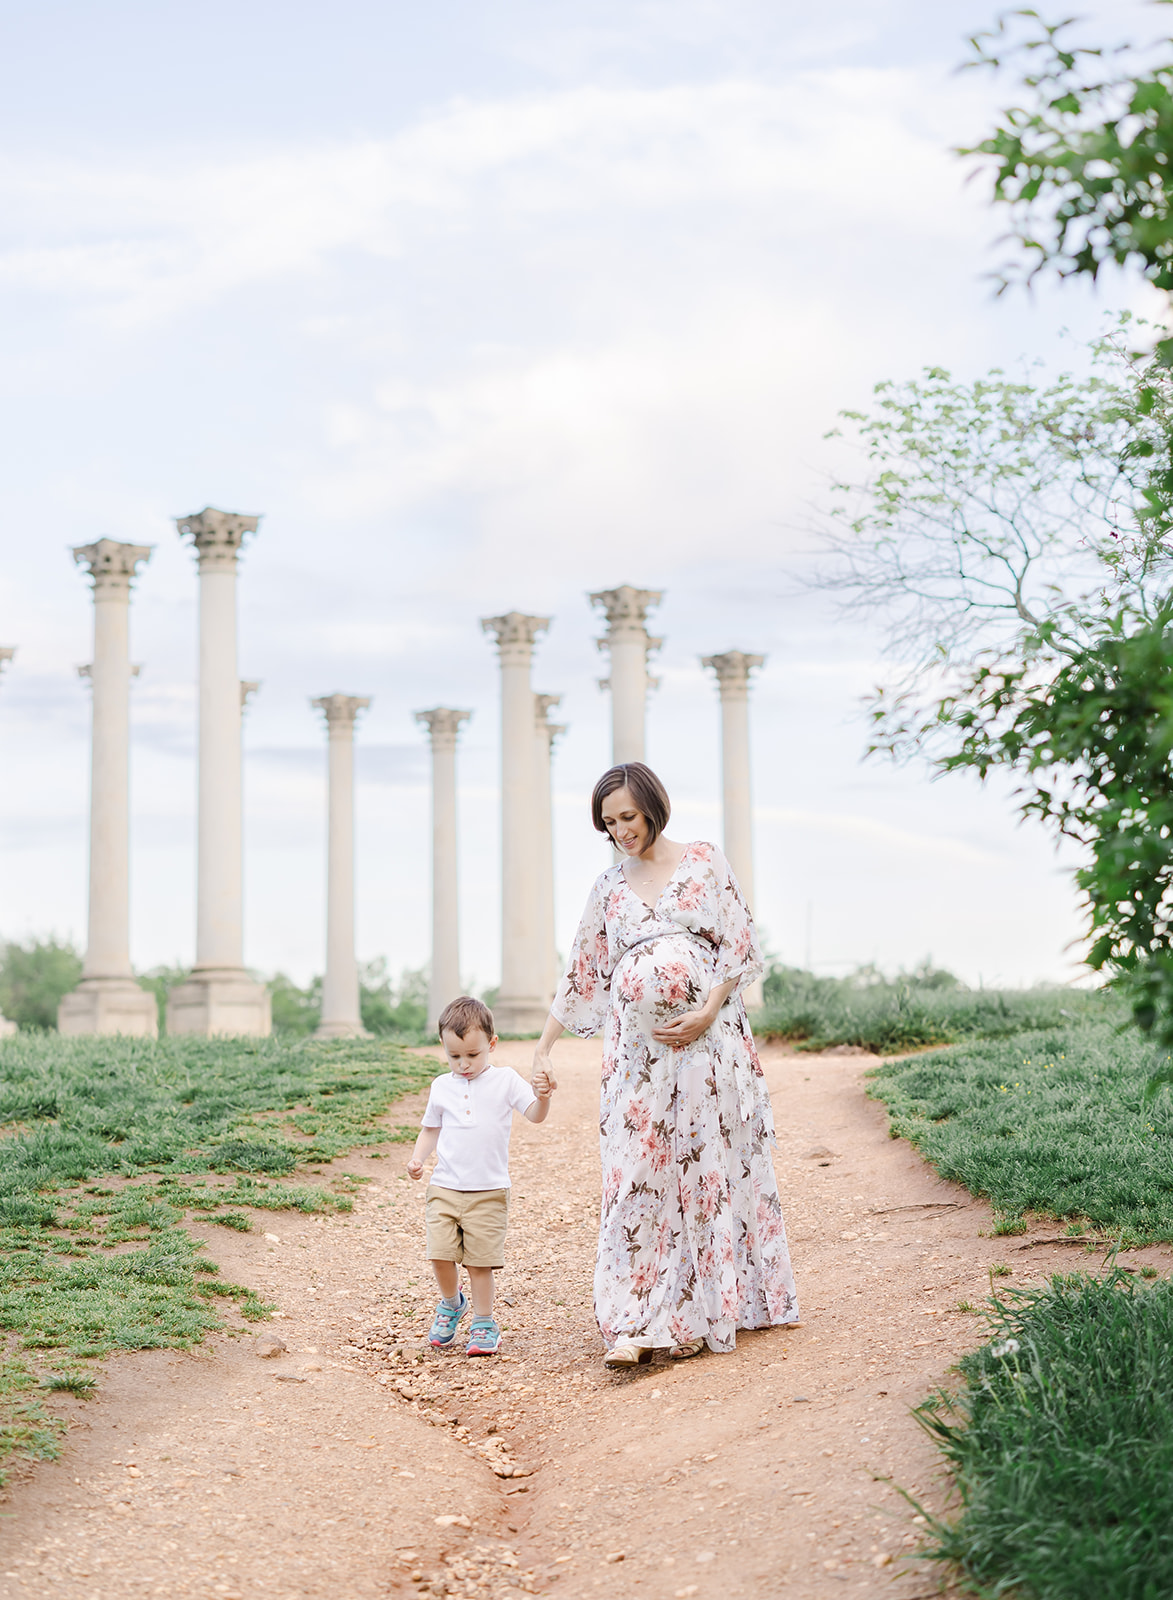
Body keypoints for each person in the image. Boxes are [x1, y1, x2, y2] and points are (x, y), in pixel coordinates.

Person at [532, 761, 799, 1368]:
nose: (621, 830)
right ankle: (634, 1318)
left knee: (706, 1168)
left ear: (653, 805)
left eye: (628, 816)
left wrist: (707, 1009)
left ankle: (703, 1310)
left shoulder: (704, 860)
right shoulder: (608, 888)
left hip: (709, 1046)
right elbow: (583, 973)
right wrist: (544, 1046)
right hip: (636, 1060)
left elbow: (738, 943)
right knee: (639, 1172)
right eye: (609, 823)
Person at [408, 995, 556, 1355]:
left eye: (473, 1055)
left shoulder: (505, 1081)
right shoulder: (441, 1086)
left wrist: (544, 1096)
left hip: (488, 1190)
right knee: (439, 1253)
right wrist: (417, 1159)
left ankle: (484, 1322)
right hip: (444, 1186)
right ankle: (451, 1303)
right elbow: (431, 1128)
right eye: (454, 1056)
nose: (463, 1064)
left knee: (479, 1262)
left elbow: (535, 1114)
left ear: (491, 1044)